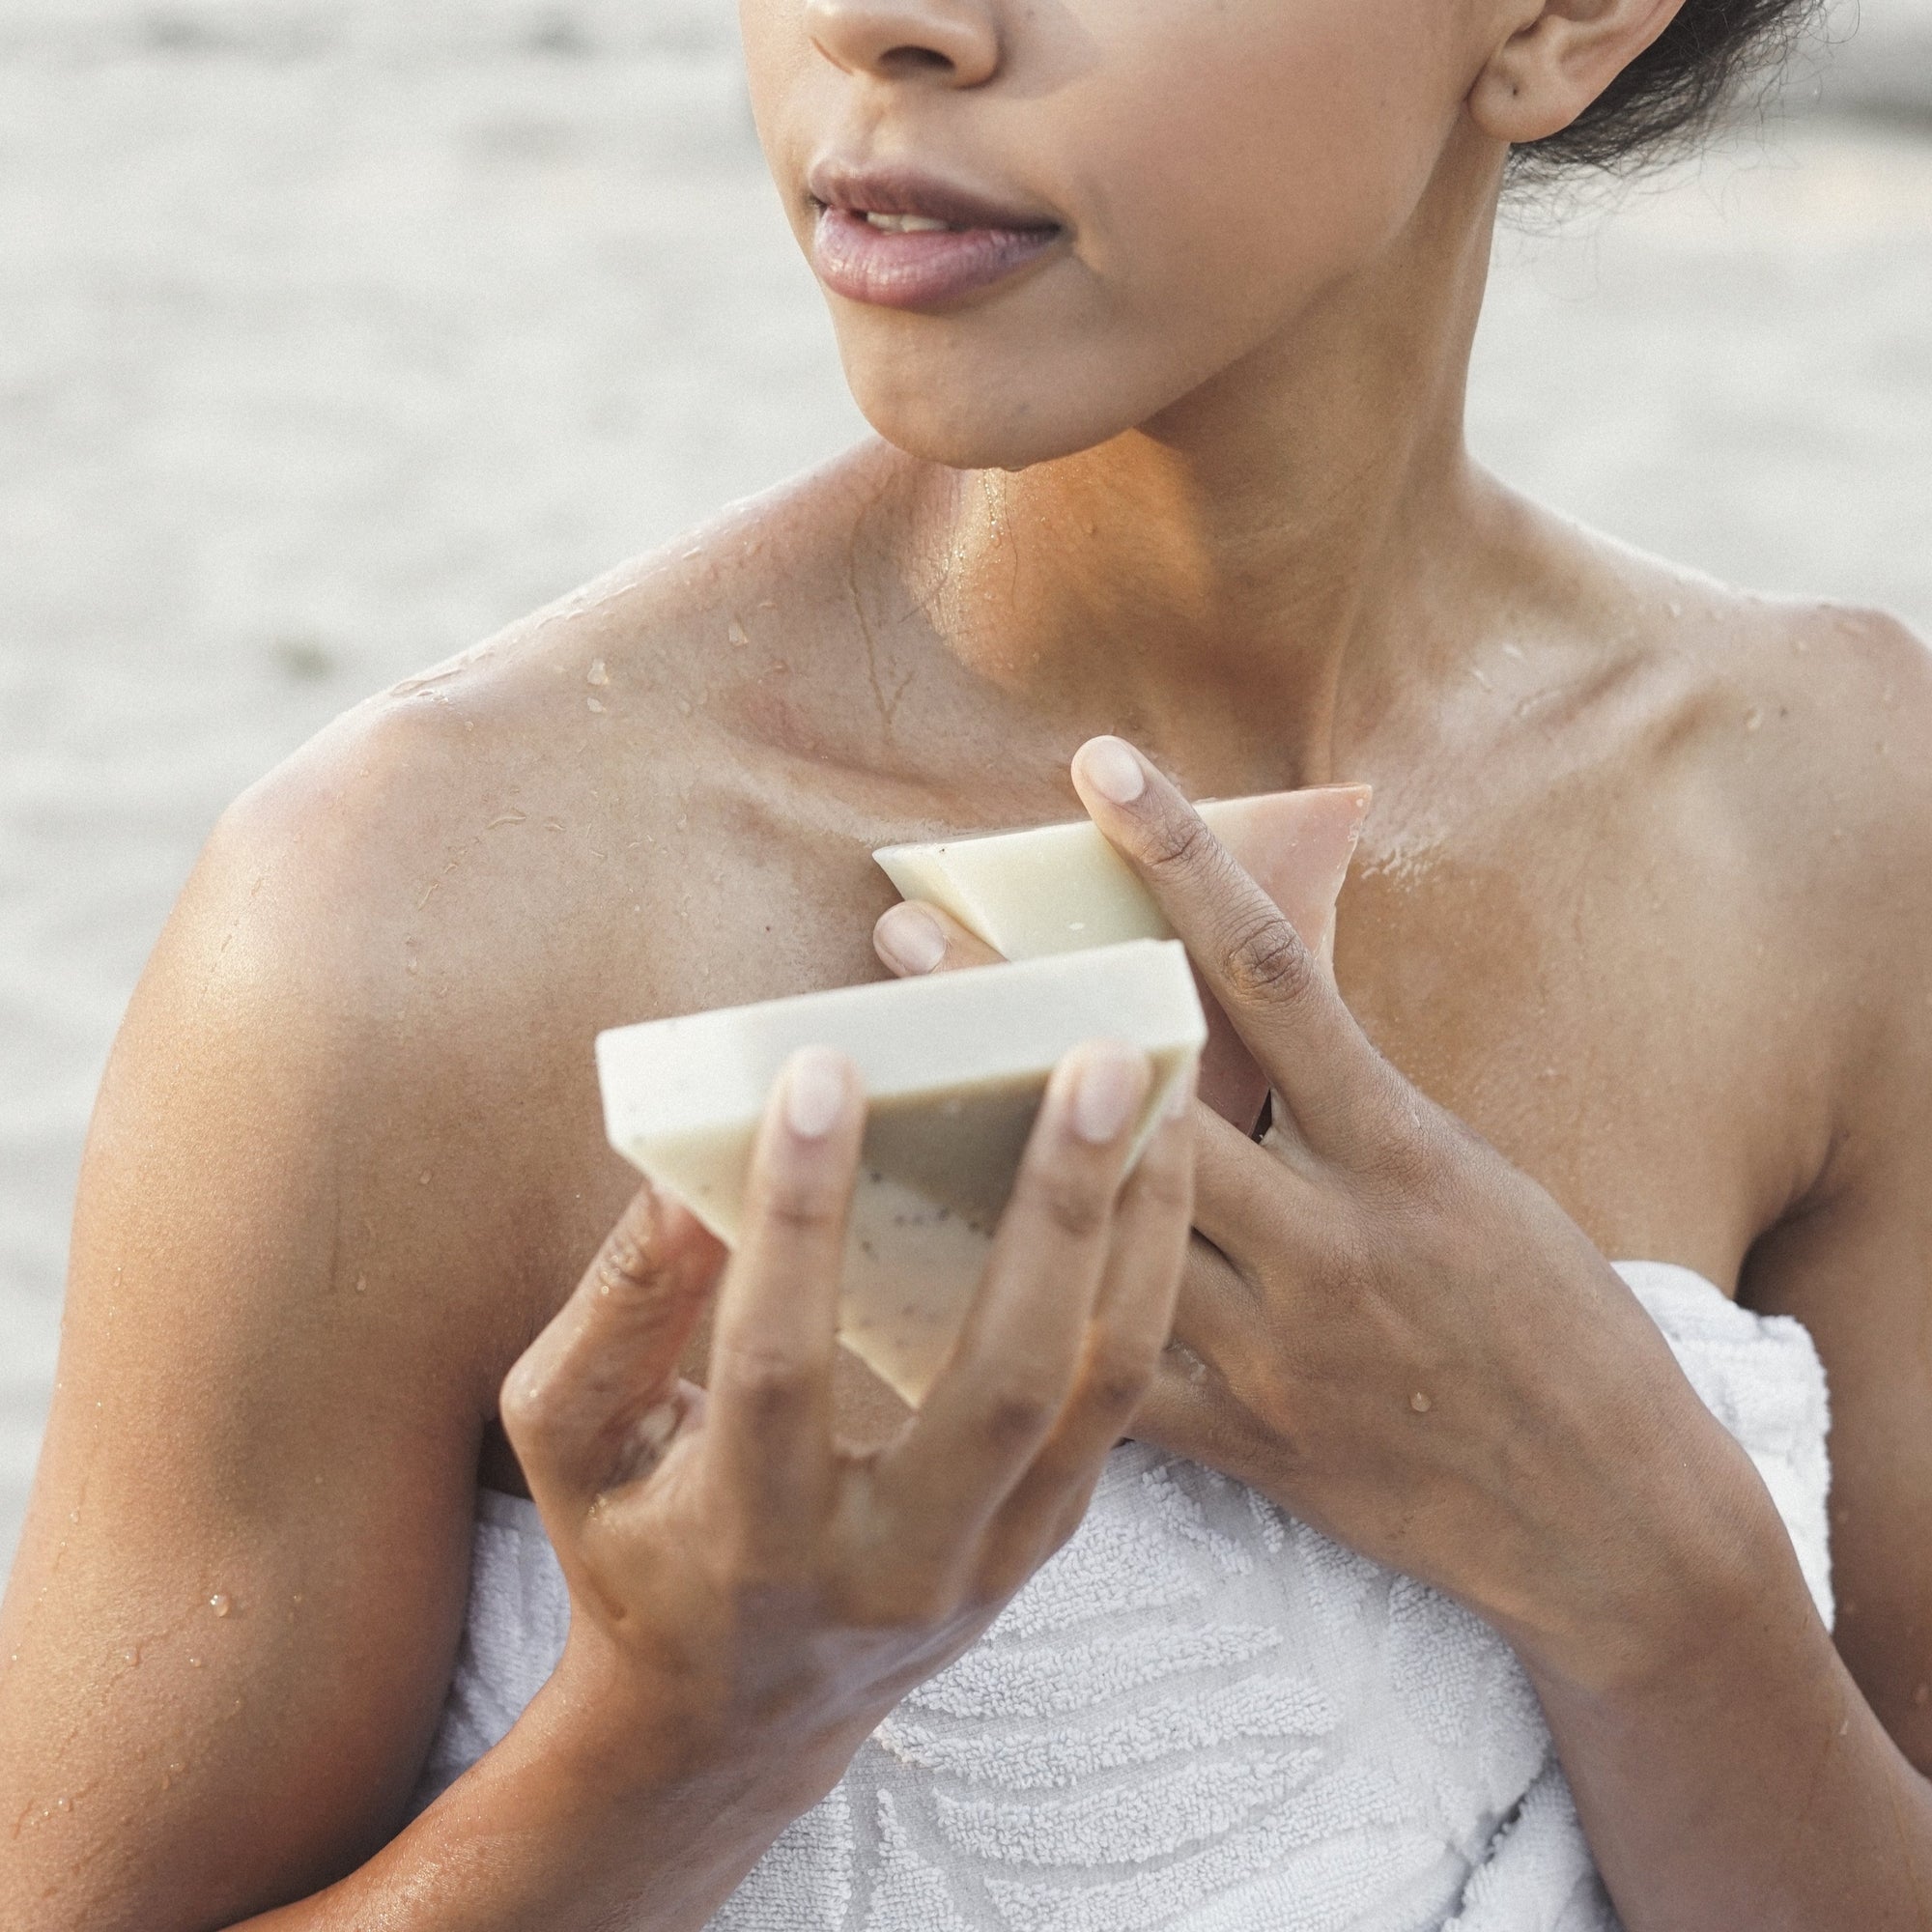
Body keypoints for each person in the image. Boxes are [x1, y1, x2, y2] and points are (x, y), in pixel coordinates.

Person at [4, 0, 1930, 1920]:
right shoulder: (407, 918)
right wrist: (674, 1746)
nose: (877, 20)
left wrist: (1655, 1572)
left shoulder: (1826, 821)